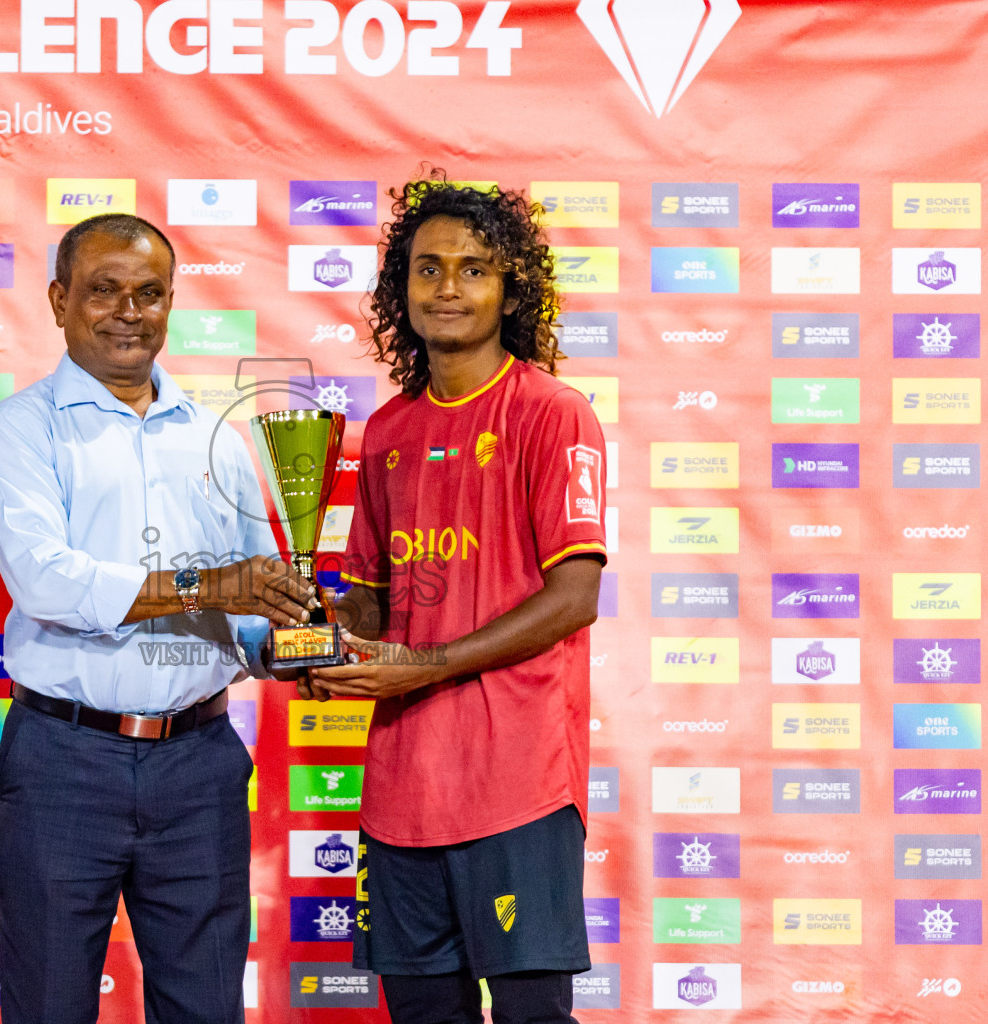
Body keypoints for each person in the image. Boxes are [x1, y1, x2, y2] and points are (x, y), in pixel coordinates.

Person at [0, 212, 319, 1024]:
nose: (129, 311)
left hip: (198, 764)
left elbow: (252, 606)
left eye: (149, 293)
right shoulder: (20, 429)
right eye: (103, 290)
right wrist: (210, 586)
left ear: (170, 305)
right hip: (64, 760)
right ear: (59, 301)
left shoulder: (216, 438)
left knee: (205, 1011)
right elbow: (50, 584)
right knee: (50, 1008)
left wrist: (295, 640)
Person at [308, 175, 608, 1024]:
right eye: (427, 268)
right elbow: (373, 604)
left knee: (530, 1017)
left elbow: (574, 595)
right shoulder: (389, 432)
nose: (447, 287)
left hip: (518, 784)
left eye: (473, 269)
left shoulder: (553, 414)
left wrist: (422, 664)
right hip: (402, 790)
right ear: (399, 290)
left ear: (511, 288)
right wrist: (317, 638)